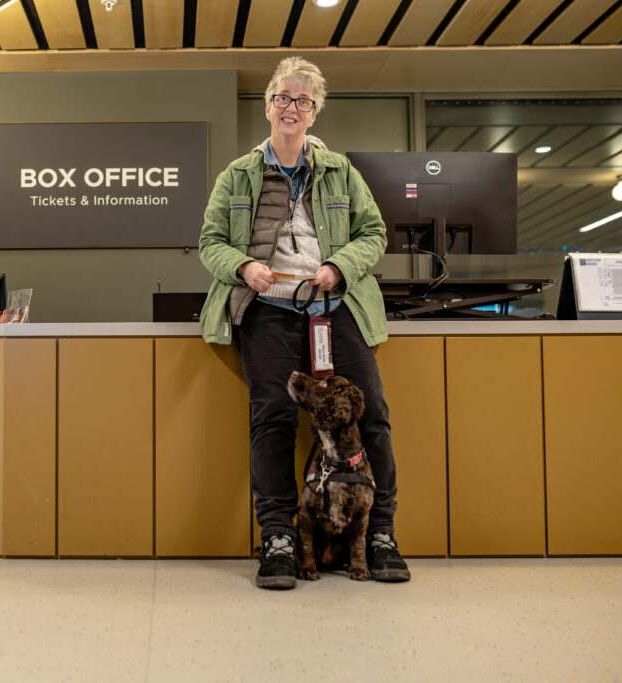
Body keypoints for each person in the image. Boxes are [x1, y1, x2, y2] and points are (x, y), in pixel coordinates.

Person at [198, 56, 411, 589]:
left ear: (313, 114)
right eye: (282, 97)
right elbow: (210, 244)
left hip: (336, 306)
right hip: (267, 310)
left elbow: (374, 234)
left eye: (303, 100)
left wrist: (339, 267)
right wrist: (244, 266)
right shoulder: (237, 175)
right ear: (269, 106)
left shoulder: (341, 171)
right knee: (272, 418)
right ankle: (279, 538)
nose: (291, 107)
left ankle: (381, 533)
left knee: (374, 415)